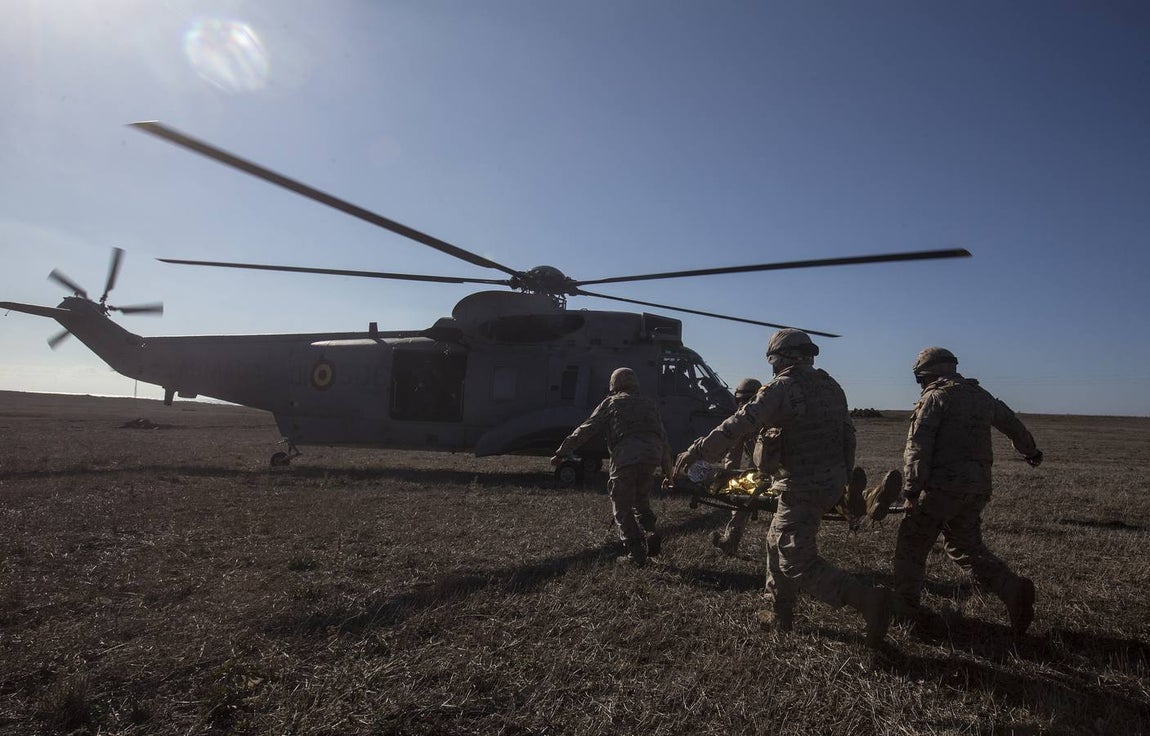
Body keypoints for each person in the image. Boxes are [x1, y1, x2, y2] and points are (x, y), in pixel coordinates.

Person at [675, 329, 892, 647]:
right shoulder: (831, 386)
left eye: (772, 361)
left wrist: (697, 451)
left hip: (801, 485)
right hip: (830, 481)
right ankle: (779, 611)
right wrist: (843, 479)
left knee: (795, 559)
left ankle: (867, 601)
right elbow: (849, 435)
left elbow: (739, 423)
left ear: (779, 358)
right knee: (774, 541)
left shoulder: (781, 388)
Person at [893, 347, 1044, 636]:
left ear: (925, 374)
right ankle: (1011, 588)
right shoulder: (980, 396)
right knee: (965, 546)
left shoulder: (935, 397)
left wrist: (911, 492)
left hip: (941, 489)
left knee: (911, 545)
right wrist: (1031, 451)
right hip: (977, 488)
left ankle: (905, 611)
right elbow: (1012, 424)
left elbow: (918, 447)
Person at [552, 367, 674, 567]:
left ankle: (635, 554)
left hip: (626, 456)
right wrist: (669, 473)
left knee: (622, 506)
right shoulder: (649, 404)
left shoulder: (611, 403)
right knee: (641, 501)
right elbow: (664, 438)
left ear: (614, 384)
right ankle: (651, 531)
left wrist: (562, 452)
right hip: (652, 456)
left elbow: (586, 429)